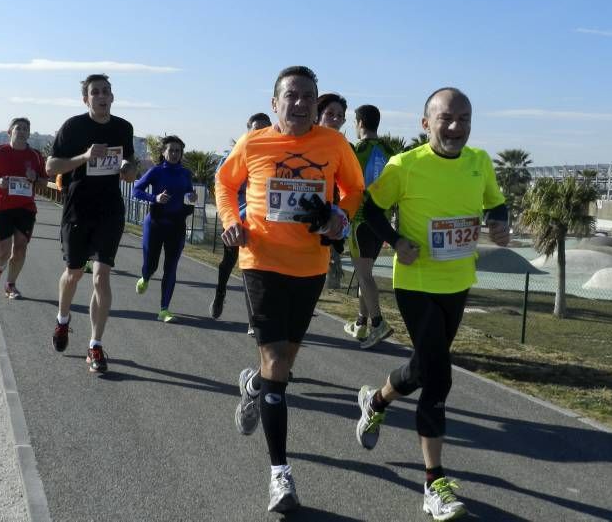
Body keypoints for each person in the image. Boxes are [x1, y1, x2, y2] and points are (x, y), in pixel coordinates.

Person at [354, 87, 509, 521]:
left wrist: (499, 225)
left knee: (423, 369)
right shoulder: (405, 166)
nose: (456, 127)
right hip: (417, 282)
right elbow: (370, 208)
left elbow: (497, 203)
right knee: (439, 379)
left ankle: (377, 401)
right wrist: (396, 240)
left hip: (458, 282)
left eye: (465, 118)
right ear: (426, 124)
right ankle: (434, 484)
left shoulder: (480, 162)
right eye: (446, 118)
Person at [216, 66, 364, 513]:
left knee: (282, 365)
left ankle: (253, 386)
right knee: (278, 363)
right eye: (291, 95)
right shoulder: (255, 142)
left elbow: (354, 189)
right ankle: (280, 474)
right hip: (260, 261)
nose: (300, 103)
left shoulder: (334, 144)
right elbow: (225, 182)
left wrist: (340, 217)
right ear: (275, 101)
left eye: (308, 97)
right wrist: (231, 223)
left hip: (311, 265)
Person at [46, 74, 136, 374]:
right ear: (86, 99)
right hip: (78, 210)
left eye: (106, 91)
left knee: (101, 277)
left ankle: (95, 345)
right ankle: (62, 320)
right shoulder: (73, 127)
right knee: (73, 274)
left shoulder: (123, 128)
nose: (101, 96)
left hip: (110, 210)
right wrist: (84, 157)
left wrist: (128, 170)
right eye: (95, 92)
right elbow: (51, 166)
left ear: (112, 97)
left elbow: (130, 166)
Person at [209, 112, 272, 322]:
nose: (261, 133)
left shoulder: (275, 156)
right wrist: (231, 217)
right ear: (248, 130)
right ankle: (220, 294)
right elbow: (221, 186)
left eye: (266, 129)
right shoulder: (235, 155)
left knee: (254, 271)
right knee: (228, 264)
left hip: (261, 224)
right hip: (236, 221)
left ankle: (254, 320)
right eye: (257, 129)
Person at [0, 118, 47, 300]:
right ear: (10, 132)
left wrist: (35, 179)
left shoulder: (36, 156)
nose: (22, 131)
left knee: (21, 248)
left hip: (26, 207)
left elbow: (44, 181)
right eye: (18, 128)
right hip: (1, 206)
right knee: (3, 251)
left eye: (26, 129)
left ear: (29, 133)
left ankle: (10, 285)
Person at [344, 104, 396, 348]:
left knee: (364, 275)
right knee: (366, 274)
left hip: (361, 220)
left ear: (360, 123)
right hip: (381, 221)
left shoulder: (358, 150)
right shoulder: (389, 150)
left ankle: (377, 323)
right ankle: (361, 322)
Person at [132, 135, 196, 322]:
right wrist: (155, 198)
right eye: (171, 150)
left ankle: (164, 310)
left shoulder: (185, 174)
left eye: (178, 151)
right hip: (155, 224)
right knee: (151, 265)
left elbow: (188, 193)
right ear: (163, 152)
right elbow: (137, 189)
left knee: (171, 267)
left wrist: (191, 197)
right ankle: (145, 276)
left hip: (177, 225)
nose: (175, 154)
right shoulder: (156, 172)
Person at [316, 93, 349, 288]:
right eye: (330, 114)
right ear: (318, 115)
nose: (336, 119)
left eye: (340, 115)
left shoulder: (346, 147)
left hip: (331, 218)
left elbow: (353, 187)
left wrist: (341, 213)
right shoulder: (305, 143)